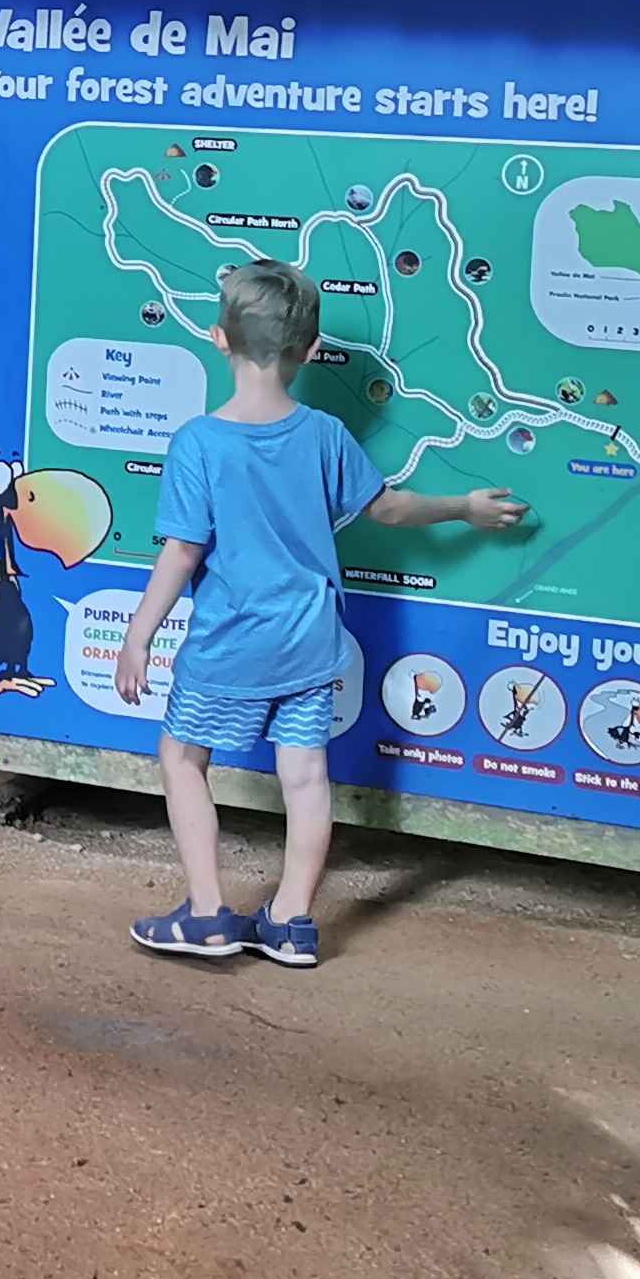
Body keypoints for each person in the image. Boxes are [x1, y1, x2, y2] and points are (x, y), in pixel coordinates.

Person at [111, 260, 528, 966]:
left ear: (219, 338)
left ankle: (209, 915)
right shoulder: (326, 434)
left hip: (228, 642)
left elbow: (182, 554)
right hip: (310, 640)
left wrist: (137, 636)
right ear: (310, 351)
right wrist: (464, 506)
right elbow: (391, 509)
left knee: (183, 757)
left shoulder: (198, 444)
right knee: (305, 775)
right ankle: (293, 922)